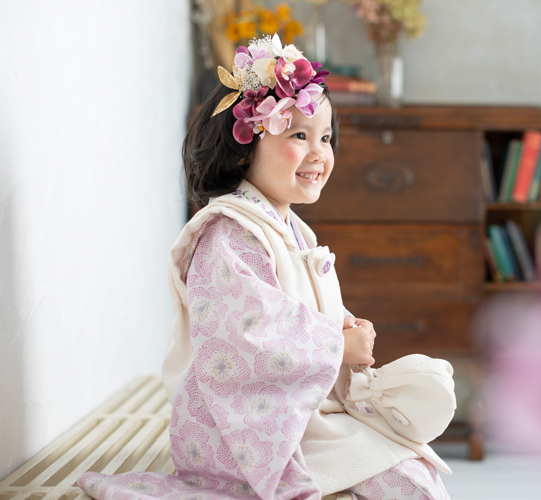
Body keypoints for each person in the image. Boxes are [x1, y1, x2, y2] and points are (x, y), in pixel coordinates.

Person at [78, 34, 452, 500]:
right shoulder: (228, 233)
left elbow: (297, 305)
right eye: (299, 135)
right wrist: (337, 344)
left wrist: (343, 323)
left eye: (326, 138)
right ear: (245, 146)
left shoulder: (290, 227)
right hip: (248, 431)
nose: (319, 153)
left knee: (414, 470)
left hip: (299, 410)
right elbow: (246, 333)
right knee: (406, 483)